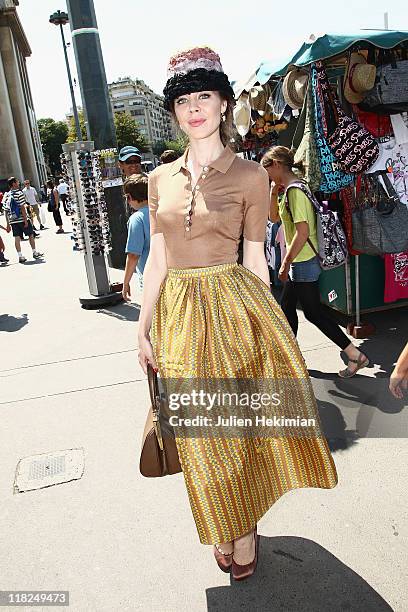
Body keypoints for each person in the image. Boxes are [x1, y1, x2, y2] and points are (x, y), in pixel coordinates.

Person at [137, 47, 338, 581]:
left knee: (235, 431)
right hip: (177, 314)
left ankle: (242, 526)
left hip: (231, 310)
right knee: (202, 437)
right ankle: (221, 523)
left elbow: (254, 259)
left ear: (225, 104)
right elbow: (158, 258)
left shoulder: (251, 176)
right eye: (184, 99)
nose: (194, 107)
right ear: (174, 111)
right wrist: (142, 329)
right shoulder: (160, 180)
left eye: (205, 95)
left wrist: (267, 329)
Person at [261, 146, 370, 378]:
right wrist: (272, 193)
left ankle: (354, 354)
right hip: (299, 261)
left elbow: (302, 232)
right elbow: (274, 219)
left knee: (312, 313)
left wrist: (286, 262)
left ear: (277, 164)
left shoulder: (295, 191)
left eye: (266, 167)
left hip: (302, 261)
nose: (266, 173)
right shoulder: (289, 189)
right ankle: (288, 359)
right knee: (287, 308)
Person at [122, 174, 150, 302]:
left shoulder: (136, 219)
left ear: (129, 197)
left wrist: (126, 282)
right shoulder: (162, 211)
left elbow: (133, 255)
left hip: (151, 277)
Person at [3, 177, 43, 263]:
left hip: (13, 220)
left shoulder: (7, 195)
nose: (18, 183)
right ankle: (34, 252)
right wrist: (25, 220)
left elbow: (5, 210)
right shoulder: (19, 193)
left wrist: (8, 223)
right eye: (17, 182)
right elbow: (22, 208)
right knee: (31, 235)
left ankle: (20, 256)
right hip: (22, 219)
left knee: (17, 238)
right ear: (13, 184)